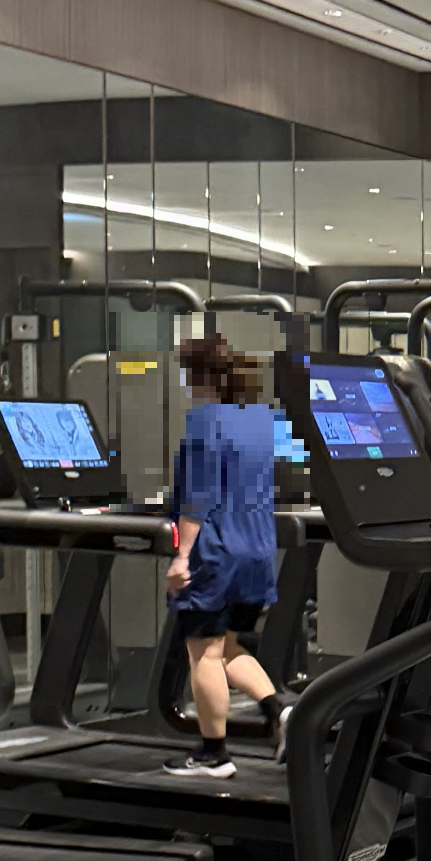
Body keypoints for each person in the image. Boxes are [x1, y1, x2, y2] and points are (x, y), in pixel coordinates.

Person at [163, 333, 285, 778]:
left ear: (196, 376)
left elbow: (198, 497)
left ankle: (214, 755)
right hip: (257, 551)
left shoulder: (204, 421)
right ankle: (280, 711)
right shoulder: (262, 420)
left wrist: (181, 557)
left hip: (217, 553)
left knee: (204, 653)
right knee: (229, 645)